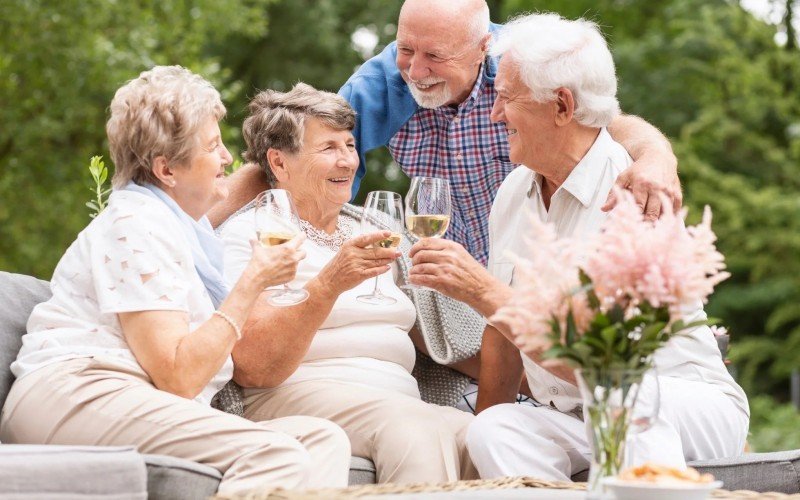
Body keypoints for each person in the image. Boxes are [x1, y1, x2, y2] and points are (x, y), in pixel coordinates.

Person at [407, 14, 749, 480]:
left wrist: (483, 291)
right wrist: (478, 461)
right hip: (582, 413)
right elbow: (503, 338)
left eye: (506, 98)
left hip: (677, 399)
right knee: (494, 429)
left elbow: (603, 366)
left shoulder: (632, 194)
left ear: (562, 106)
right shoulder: (513, 192)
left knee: (623, 403)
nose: (494, 113)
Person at [0, 66, 351, 494]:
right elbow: (178, 376)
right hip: (77, 392)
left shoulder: (187, 231)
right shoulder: (134, 224)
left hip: (133, 396)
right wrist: (253, 282)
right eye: (213, 146)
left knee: (322, 439)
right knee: (273, 452)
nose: (228, 158)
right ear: (167, 170)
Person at [211, 0, 682, 267]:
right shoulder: (386, 82)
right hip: (449, 283)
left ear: (483, 47)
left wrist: (657, 160)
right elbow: (298, 152)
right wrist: (194, 226)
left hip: (534, 267)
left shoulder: (519, 69)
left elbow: (606, 123)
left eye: (434, 56)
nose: (416, 71)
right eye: (405, 49)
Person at [218, 83, 476, 485]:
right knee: (413, 425)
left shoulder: (374, 228)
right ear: (280, 163)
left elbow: (450, 334)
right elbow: (254, 366)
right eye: (328, 149)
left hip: (398, 398)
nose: (348, 162)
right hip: (294, 394)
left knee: (482, 438)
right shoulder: (251, 233)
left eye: (350, 145)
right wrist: (329, 284)